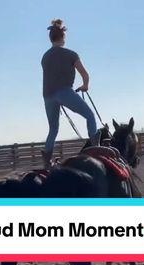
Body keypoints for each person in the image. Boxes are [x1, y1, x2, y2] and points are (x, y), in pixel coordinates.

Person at [41, 19, 100, 168]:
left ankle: (47, 160)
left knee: (53, 128)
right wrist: (85, 86)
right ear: (63, 37)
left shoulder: (45, 57)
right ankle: (96, 150)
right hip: (64, 92)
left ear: (51, 38)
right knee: (90, 116)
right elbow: (85, 75)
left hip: (48, 96)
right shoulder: (71, 54)